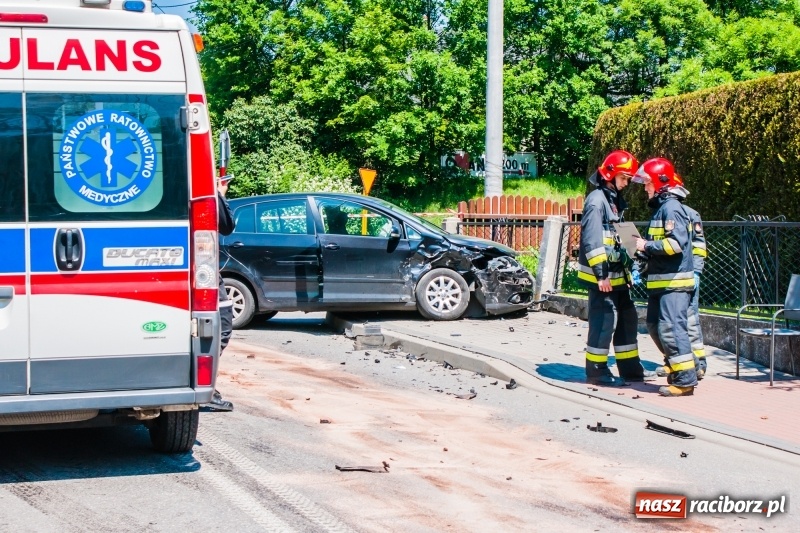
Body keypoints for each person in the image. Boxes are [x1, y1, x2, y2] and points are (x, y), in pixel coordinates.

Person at [578, 150, 655, 386]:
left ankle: (631, 370)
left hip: (617, 277)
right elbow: (592, 240)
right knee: (604, 323)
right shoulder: (596, 201)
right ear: (610, 174)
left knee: (627, 320)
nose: (627, 182)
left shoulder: (612, 200)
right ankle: (597, 372)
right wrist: (601, 275)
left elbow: (622, 235)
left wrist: (635, 264)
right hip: (603, 278)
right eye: (624, 178)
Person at [633, 157, 698, 397]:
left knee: (671, 328)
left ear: (661, 182)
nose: (645, 188)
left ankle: (684, 381)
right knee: (654, 326)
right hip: (661, 281)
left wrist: (645, 245)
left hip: (674, 283)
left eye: (648, 183)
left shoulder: (671, 208)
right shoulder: (662, 208)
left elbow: (675, 245)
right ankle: (675, 365)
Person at [656, 201, 708, 381]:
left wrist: (697, 271)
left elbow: (699, 246)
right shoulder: (663, 212)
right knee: (671, 324)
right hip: (674, 275)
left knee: (690, 320)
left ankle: (699, 363)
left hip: (688, 274)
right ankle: (672, 361)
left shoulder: (691, 214)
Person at [205, 174, 236, 411]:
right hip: (204, 272)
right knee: (222, 326)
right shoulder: (204, 190)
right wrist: (219, 193)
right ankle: (207, 387)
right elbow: (226, 226)